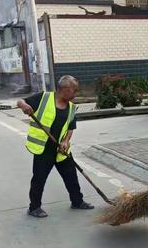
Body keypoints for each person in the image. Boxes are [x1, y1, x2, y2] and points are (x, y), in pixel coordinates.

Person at [17, 75, 94, 218]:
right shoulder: (44, 98)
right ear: (65, 89)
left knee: (71, 176)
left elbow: (71, 127)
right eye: (74, 90)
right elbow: (20, 101)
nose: (75, 94)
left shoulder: (71, 107)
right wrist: (24, 106)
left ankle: (77, 201)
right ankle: (34, 207)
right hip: (44, 149)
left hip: (61, 149)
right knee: (39, 179)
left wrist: (65, 141)